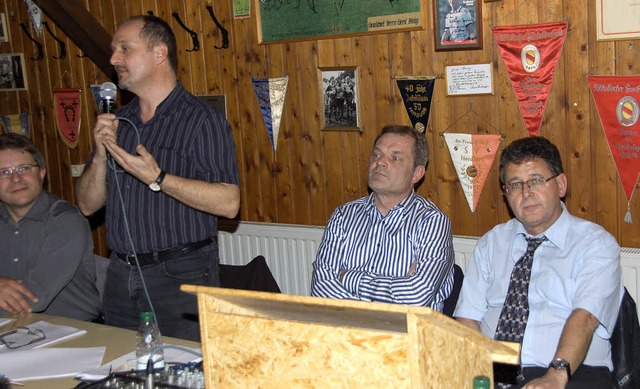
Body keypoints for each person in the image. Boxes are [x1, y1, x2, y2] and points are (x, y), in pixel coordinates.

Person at [75, 15, 240, 341]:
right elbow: (86, 204)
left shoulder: (201, 120)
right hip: (120, 275)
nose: (113, 59)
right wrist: (99, 153)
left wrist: (159, 177)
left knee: (187, 373)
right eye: (113, 50)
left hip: (180, 274)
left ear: (159, 54)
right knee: (123, 369)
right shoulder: (117, 121)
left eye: (125, 48)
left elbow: (229, 203)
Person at [454, 136, 623, 388]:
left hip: (571, 371)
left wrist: (557, 373)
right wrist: (482, 368)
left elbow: (585, 318)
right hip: (495, 370)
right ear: (506, 194)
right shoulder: (492, 243)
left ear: (561, 185)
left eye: (536, 180)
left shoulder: (596, 244)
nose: (526, 193)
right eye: (515, 184)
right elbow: (467, 318)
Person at [311, 125, 454, 311]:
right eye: (376, 155)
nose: (380, 162)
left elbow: (416, 297)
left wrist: (347, 277)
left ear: (417, 174)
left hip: (409, 336)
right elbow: (321, 290)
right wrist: (398, 285)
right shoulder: (343, 216)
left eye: (395, 158)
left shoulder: (432, 222)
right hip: (349, 332)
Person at [0, 133, 101, 321]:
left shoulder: (66, 221)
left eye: (24, 169)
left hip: (77, 333)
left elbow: (33, 298)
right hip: (12, 330)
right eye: (3, 172)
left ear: (42, 173)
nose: (15, 178)